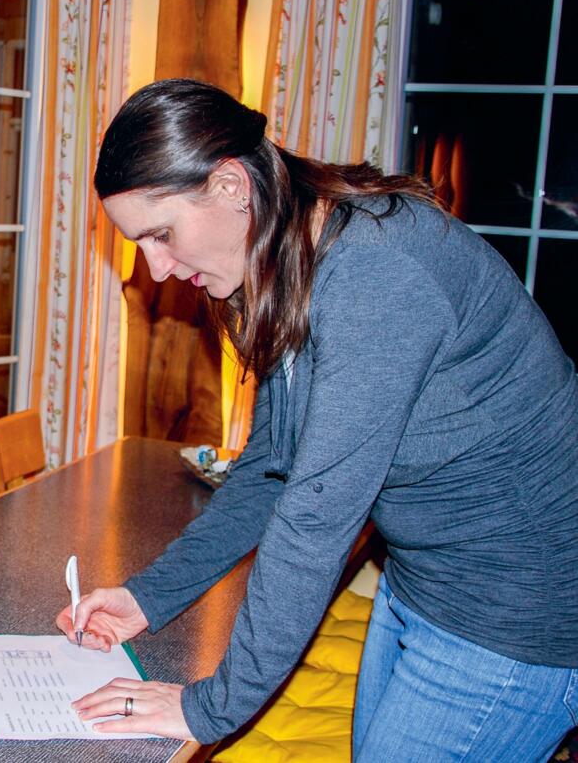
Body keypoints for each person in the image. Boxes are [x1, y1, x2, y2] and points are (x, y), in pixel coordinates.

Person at [55, 78, 578, 760]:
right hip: (423, 583)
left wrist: (210, 706)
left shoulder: (376, 276)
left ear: (230, 185)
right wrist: (148, 597)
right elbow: (272, 469)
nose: (154, 267)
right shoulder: (291, 264)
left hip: (515, 612)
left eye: (160, 234)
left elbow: (314, 519)